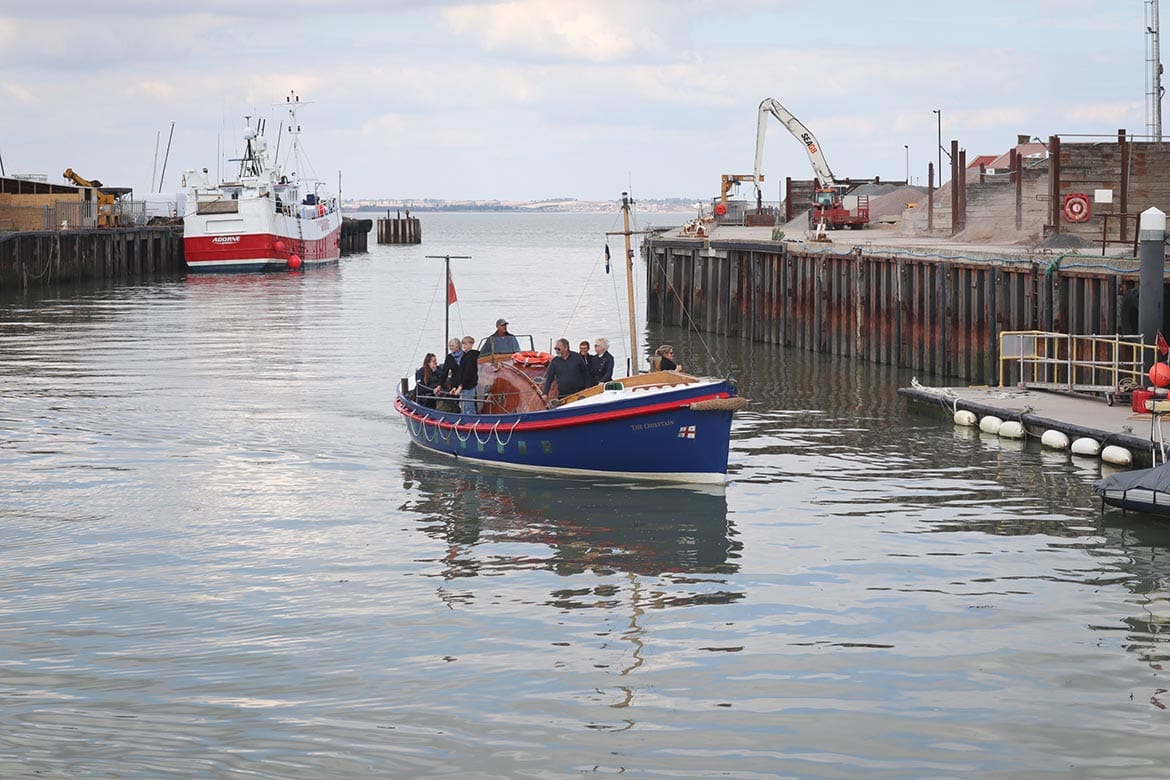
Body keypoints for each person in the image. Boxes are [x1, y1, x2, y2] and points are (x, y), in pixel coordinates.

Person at [542, 338, 591, 402]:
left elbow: (585, 372)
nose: (556, 350)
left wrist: (588, 387)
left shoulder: (577, 356)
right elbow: (549, 378)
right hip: (563, 395)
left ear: (566, 348)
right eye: (555, 348)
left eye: (558, 348)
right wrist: (545, 393)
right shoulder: (554, 361)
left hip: (579, 393)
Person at [435, 338, 463, 412]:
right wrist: (439, 385)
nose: (451, 347)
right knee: (455, 402)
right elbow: (445, 372)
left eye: (452, 345)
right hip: (455, 383)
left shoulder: (465, 355)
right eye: (449, 346)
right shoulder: (449, 357)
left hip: (465, 382)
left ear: (458, 345)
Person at [454, 335, 480, 414]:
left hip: (468, 386)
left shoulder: (470, 357)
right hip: (466, 385)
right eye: (463, 344)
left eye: (466, 344)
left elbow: (468, 373)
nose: (464, 346)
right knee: (465, 406)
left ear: (471, 344)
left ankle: (471, 422)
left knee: (469, 407)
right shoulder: (466, 356)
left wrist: (460, 386)